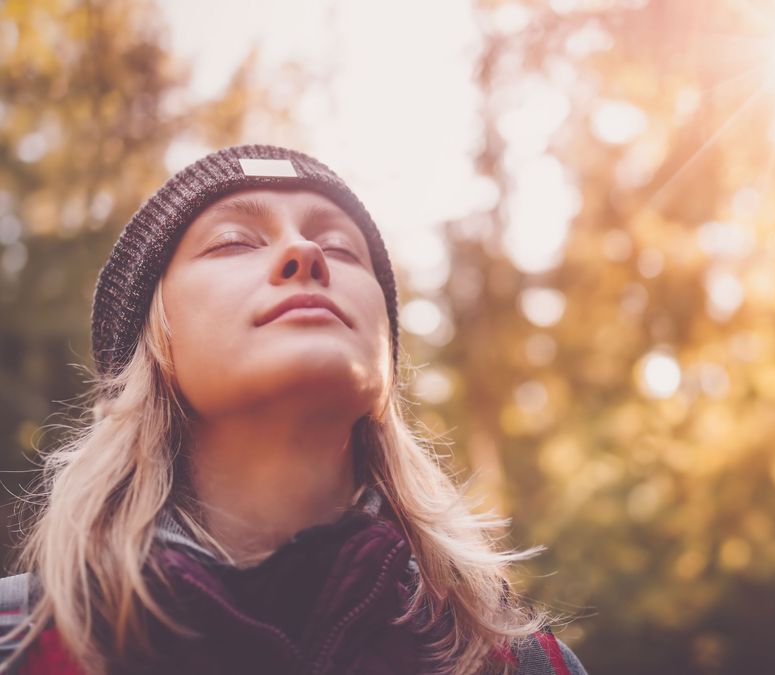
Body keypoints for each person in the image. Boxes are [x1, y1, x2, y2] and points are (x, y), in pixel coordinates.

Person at [0, 145, 587, 675]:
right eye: (233, 241)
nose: (305, 251)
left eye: (339, 247)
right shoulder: (18, 645)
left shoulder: (523, 663)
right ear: (151, 345)